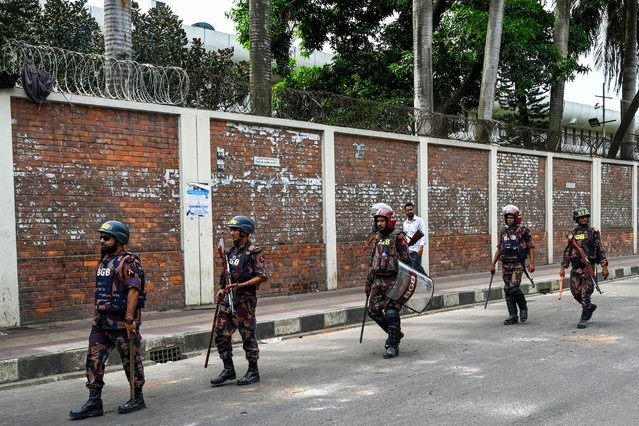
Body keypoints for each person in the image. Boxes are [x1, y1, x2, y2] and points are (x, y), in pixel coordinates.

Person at [70, 221, 147, 420]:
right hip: (102, 322)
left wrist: (130, 319)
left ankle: (137, 397)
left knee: (130, 360)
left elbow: (133, 290)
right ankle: (94, 401)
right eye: (101, 237)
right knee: (93, 359)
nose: (102, 240)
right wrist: (96, 315)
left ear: (119, 240)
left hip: (122, 322)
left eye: (107, 237)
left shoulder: (129, 261)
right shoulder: (104, 261)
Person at [210, 215, 268, 387]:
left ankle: (253, 371)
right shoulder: (230, 252)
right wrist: (222, 290)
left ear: (245, 232)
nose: (232, 233)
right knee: (220, 335)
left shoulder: (254, 252)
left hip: (245, 302)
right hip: (228, 301)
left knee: (247, 337)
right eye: (231, 230)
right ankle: (228, 369)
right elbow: (226, 276)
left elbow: (262, 276)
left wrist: (240, 285)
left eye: (235, 230)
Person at [365, 207, 411, 359]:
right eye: (378, 221)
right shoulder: (378, 237)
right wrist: (368, 282)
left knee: (391, 313)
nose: (379, 224)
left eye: (382, 221)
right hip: (378, 281)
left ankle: (393, 345)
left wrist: (403, 284)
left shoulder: (398, 237)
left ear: (389, 221)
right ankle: (395, 333)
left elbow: (407, 262)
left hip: (394, 281)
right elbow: (374, 260)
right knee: (373, 311)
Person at [560, 206, 609, 329]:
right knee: (575, 293)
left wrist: (604, 266)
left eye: (586, 217)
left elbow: (600, 250)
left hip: (588, 268)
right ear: (576, 219)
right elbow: (568, 250)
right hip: (575, 267)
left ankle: (583, 318)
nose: (584, 219)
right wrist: (563, 266)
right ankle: (589, 307)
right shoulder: (573, 234)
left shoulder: (594, 232)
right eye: (581, 217)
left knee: (585, 293)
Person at [490, 205, 535, 325]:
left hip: (517, 264)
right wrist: (493, 264)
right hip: (505, 264)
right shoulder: (503, 232)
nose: (509, 219)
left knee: (513, 287)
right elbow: (499, 249)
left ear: (516, 218)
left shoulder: (523, 231)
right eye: (507, 217)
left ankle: (523, 307)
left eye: (511, 217)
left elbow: (531, 247)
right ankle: (513, 315)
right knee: (507, 289)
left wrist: (531, 263)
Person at [402, 202, 427, 274]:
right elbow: (405, 236)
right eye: (408, 210)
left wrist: (421, 247)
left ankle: (428, 282)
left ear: (413, 210)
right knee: (409, 268)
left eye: (411, 209)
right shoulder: (405, 223)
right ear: (405, 212)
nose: (409, 211)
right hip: (408, 249)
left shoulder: (419, 220)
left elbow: (423, 234)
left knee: (416, 266)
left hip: (416, 249)